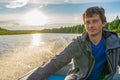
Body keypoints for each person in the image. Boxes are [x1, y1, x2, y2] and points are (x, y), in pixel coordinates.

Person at [27, 6, 120, 80]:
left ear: (103, 23)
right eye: (87, 22)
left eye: (95, 21)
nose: (91, 26)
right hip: (78, 77)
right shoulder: (78, 43)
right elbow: (56, 62)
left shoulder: (115, 42)